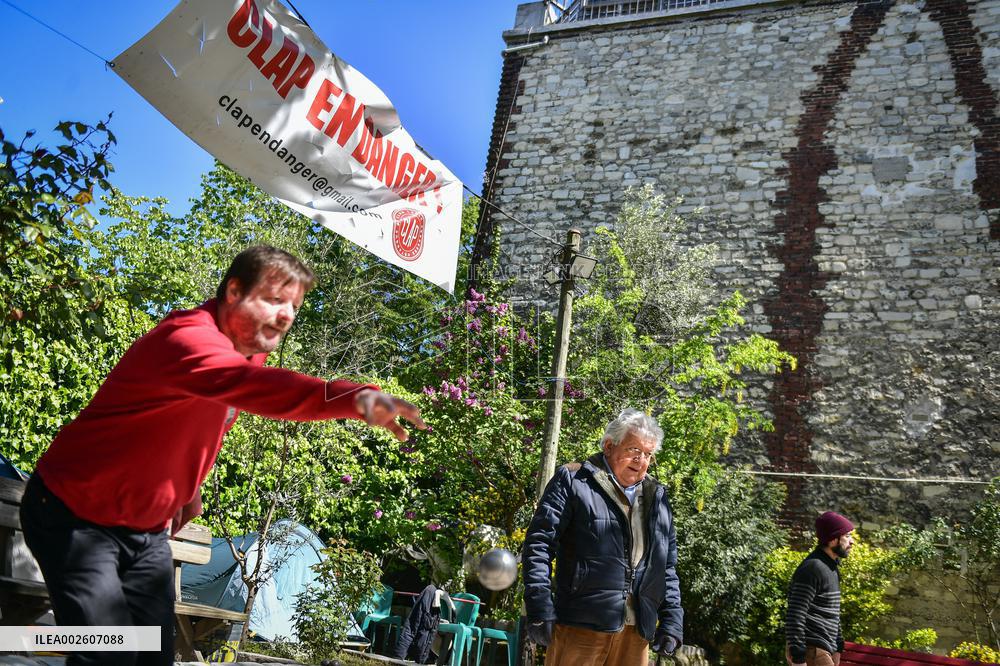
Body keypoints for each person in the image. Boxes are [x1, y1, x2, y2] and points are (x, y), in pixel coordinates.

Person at [19, 245, 425, 666]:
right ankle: (35, 639)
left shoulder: (247, 351)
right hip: (75, 516)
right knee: (108, 653)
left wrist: (188, 490)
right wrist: (355, 398)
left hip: (145, 533)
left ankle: (41, 638)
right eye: (273, 299)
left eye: (294, 306)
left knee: (151, 656)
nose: (286, 315)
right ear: (233, 291)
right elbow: (270, 391)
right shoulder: (187, 340)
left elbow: (207, 424)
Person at [522, 408, 683, 666]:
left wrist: (672, 620)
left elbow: (667, 567)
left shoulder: (657, 497)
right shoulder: (574, 480)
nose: (641, 460)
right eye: (634, 450)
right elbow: (538, 545)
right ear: (609, 446)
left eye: (648, 454)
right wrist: (539, 605)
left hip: (636, 631)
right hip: (580, 625)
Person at [785, 511, 856, 666]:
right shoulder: (812, 568)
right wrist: (798, 657)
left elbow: (832, 611)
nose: (852, 542)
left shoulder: (831, 567)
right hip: (811, 650)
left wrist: (838, 647)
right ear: (832, 540)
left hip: (824, 650)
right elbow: (795, 614)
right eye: (847, 536)